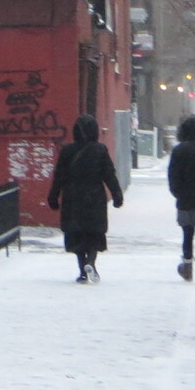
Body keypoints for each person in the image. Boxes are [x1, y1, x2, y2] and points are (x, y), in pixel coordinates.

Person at [48, 113, 124, 283]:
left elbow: (59, 176)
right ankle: (91, 262)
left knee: (77, 235)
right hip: (94, 198)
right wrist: (117, 195)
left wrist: (53, 196)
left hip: (72, 198)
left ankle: (83, 271)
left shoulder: (67, 151)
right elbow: (109, 175)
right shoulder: (100, 150)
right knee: (93, 234)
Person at [166, 115, 195, 283]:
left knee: (187, 235)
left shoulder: (179, 150)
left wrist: (178, 193)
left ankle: (187, 268)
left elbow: (173, 175)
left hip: (185, 199)